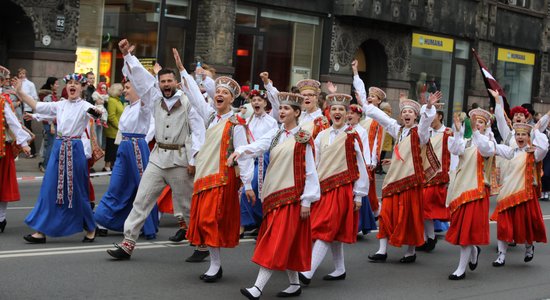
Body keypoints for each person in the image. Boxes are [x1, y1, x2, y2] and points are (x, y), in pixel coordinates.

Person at [106, 40, 205, 259]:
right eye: (163, 81)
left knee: (187, 206)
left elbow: (198, 131)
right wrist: (127, 56)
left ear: (176, 83)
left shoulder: (189, 103)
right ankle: (127, 243)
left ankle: (201, 246)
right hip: (158, 158)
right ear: (159, 83)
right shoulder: (154, 97)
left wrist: (194, 160)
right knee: (141, 200)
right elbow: (141, 78)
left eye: (170, 81)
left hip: (180, 160)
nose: (166, 84)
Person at [173, 48, 254, 283]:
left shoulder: (237, 122)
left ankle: (215, 265)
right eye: (217, 91)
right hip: (205, 175)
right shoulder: (210, 116)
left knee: (211, 220)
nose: (219, 95)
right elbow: (196, 97)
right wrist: (182, 71)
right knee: (204, 221)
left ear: (231, 99)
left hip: (223, 177)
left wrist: (247, 184)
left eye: (224, 93)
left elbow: (244, 153)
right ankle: (215, 265)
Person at [229, 92, 320, 299]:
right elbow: (259, 145)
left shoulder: (303, 138)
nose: (282, 111)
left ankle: (257, 288)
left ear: (297, 113)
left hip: (292, 198)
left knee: (275, 241)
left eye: (287, 109)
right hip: (274, 195)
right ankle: (295, 284)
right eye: (281, 108)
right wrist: (240, 151)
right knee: (288, 242)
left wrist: (307, 200)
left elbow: (310, 171)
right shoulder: (277, 134)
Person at [18, 73, 99, 243]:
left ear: (82, 87)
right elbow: (37, 106)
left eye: (76, 83)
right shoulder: (60, 105)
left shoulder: (85, 106)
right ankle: (40, 231)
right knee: (49, 188)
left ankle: (91, 227)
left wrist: (98, 110)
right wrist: (20, 92)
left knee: (77, 190)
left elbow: (97, 115)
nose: (72, 86)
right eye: (70, 83)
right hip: (59, 147)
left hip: (75, 149)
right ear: (66, 87)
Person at [362, 92, 442, 263]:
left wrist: (428, 107)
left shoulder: (420, 133)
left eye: (410, 112)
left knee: (409, 217)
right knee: (386, 214)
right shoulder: (398, 131)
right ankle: (382, 251)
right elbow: (381, 117)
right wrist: (365, 100)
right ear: (401, 116)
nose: (407, 114)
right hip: (393, 180)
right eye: (404, 112)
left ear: (416, 116)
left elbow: (425, 123)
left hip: (410, 181)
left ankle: (411, 252)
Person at [299, 93, 368, 285]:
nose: (337, 112)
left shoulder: (353, 136)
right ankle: (340, 269)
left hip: (342, 189)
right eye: (334, 109)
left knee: (325, 228)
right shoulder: (321, 135)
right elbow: (316, 163)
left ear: (347, 114)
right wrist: (311, 188)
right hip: (323, 188)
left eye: (341, 110)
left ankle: (307, 271)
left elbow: (361, 165)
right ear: (329, 112)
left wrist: (359, 195)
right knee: (331, 231)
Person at [94, 77, 159, 240]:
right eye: (125, 87)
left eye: (128, 87)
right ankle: (102, 220)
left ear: (138, 90)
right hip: (124, 147)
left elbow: (146, 89)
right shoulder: (128, 107)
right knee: (116, 185)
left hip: (137, 146)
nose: (124, 90)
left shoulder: (143, 107)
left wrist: (130, 61)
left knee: (142, 188)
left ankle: (147, 223)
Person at [445, 109, 495, 280]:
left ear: (485, 126)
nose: (477, 124)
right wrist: (459, 131)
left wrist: (474, 132)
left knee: (467, 231)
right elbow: (454, 149)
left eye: (481, 122)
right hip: (461, 189)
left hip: (476, 191)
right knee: (461, 228)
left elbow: (486, 150)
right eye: (475, 121)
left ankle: (460, 268)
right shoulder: (466, 141)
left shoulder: (487, 141)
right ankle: (474, 250)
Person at [490, 122, 548, 266]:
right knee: (503, 224)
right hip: (508, 193)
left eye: (523, 134)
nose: (520, 137)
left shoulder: (533, 153)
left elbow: (544, 148)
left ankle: (529, 248)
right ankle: (501, 255)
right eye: (517, 134)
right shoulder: (511, 152)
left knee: (526, 225)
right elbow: (493, 147)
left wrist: (537, 132)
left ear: (529, 137)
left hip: (525, 194)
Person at [239, 87, 278, 235]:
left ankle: (244, 225)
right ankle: (256, 221)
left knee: (253, 190)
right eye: (253, 100)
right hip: (248, 158)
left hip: (263, 159)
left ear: (264, 103)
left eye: (259, 100)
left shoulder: (271, 121)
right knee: (247, 190)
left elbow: (268, 143)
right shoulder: (248, 120)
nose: (256, 102)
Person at [0, 66, 32, 233]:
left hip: (1, 148)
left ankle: (1, 218)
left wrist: (24, 143)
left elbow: (13, 122)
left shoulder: (3, 101)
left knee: (2, 184)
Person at [352, 59, 385, 218]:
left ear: (379, 101)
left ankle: (375, 210)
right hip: (357, 154)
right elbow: (361, 92)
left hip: (368, 158)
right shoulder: (364, 115)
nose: (370, 98)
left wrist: (373, 160)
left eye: (373, 97)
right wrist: (356, 72)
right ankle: (372, 211)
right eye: (369, 96)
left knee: (368, 186)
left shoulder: (379, 118)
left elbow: (378, 140)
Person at [417, 108, 452, 252]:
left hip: (438, 176)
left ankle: (430, 238)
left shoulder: (448, 133)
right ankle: (427, 238)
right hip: (424, 175)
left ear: (440, 116)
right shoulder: (427, 133)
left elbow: (454, 155)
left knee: (427, 207)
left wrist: (451, 175)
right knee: (423, 209)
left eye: (433, 116)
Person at [264, 76, 329, 139]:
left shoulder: (321, 121)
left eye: (310, 95)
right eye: (303, 95)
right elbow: (278, 101)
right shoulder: (298, 115)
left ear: (317, 97)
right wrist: (268, 85)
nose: (306, 98)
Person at [346, 104, 377, 235]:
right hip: (346, 165)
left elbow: (365, 148)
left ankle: (358, 224)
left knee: (357, 194)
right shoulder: (344, 129)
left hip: (357, 165)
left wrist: (367, 163)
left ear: (359, 116)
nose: (349, 115)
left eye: (352, 113)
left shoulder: (361, 131)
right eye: (348, 113)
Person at [37, 77, 59, 172]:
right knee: (50, 145)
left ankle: (47, 164)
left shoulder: (52, 95)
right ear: (51, 85)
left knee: (51, 144)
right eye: (56, 84)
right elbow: (48, 113)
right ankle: (45, 165)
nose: (58, 86)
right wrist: (51, 125)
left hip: (53, 123)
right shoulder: (48, 97)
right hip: (50, 123)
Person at [104, 83, 124, 171]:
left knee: (115, 149)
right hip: (113, 129)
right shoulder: (112, 101)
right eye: (120, 90)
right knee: (111, 148)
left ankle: (112, 165)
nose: (122, 91)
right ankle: (107, 165)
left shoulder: (118, 100)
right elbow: (111, 116)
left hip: (118, 129)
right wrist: (119, 126)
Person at [18, 68, 37, 157]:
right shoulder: (16, 83)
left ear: (25, 74)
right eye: (20, 73)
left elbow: (34, 97)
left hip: (27, 108)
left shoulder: (30, 84)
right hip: (18, 109)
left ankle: (32, 151)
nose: (21, 75)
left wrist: (32, 107)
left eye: (23, 73)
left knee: (27, 128)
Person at [91, 82, 109, 149]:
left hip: (102, 106)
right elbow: (95, 99)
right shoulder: (96, 93)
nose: (103, 89)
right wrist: (100, 100)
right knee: (98, 111)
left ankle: (104, 121)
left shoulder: (105, 94)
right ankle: (98, 119)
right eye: (102, 88)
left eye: (104, 88)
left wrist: (102, 101)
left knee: (104, 112)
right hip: (97, 106)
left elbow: (106, 99)